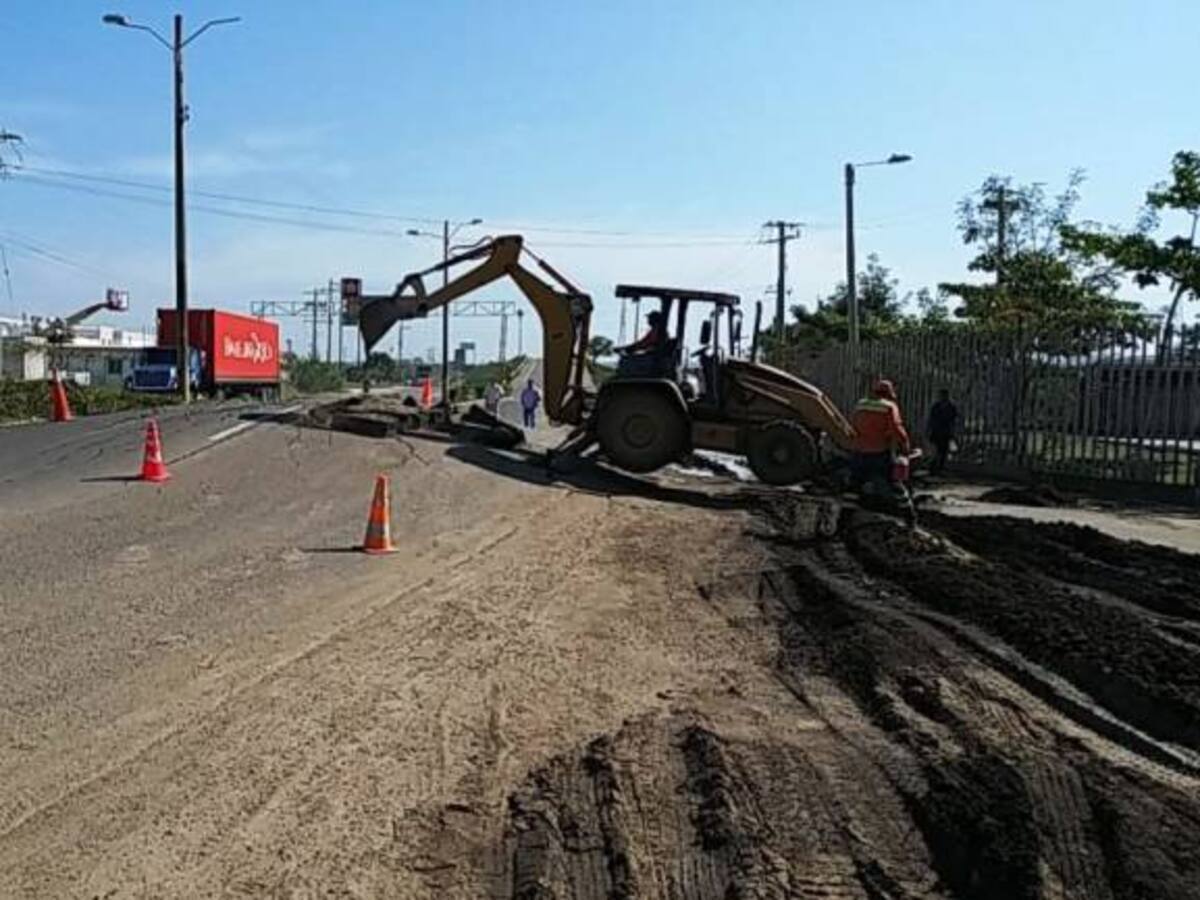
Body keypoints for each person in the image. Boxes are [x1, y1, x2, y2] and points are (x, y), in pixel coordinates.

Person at [848, 379, 911, 485]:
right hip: (879, 453)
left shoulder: (861, 404)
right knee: (886, 482)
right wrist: (905, 445)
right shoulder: (889, 407)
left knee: (856, 483)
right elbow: (896, 429)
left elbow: (853, 425)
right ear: (889, 394)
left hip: (859, 452)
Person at [614, 310, 670, 377]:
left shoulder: (658, 330)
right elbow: (642, 342)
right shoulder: (653, 330)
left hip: (653, 357)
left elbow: (645, 344)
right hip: (651, 355)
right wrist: (627, 348)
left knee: (627, 361)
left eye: (649, 318)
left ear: (654, 319)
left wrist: (630, 348)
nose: (648, 320)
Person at [927, 389, 959, 475]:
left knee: (943, 451)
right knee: (935, 451)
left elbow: (954, 420)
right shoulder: (936, 406)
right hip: (937, 431)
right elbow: (931, 419)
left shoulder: (951, 407)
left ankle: (939, 468)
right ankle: (933, 468)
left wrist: (953, 432)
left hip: (945, 432)